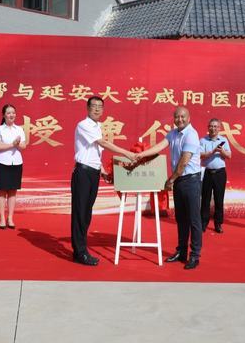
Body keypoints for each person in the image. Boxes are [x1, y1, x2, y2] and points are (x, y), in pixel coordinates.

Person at [71, 96, 136, 266]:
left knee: (86, 213)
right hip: (83, 173)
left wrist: (103, 171)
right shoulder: (83, 125)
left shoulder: (98, 126)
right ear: (87, 108)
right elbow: (102, 143)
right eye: (94, 106)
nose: (97, 109)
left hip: (93, 173)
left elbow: (94, 153)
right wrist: (126, 153)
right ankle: (80, 252)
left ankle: (80, 250)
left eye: (100, 106)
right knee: (80, 212)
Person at [136, 106, 202, 270]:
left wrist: (170, 180)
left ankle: (195, 255)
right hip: (179, 181)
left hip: (190, 181)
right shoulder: (173, 134)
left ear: (189, 118)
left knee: (194, 219)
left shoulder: (191, 135)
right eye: (177, 117)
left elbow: (183, 162)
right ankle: (181, 251)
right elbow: (159, 146)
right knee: (181, 218)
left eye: (182, 117)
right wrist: (141, 154)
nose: (180, 119)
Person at [0, 104, 26, 229]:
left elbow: (23, 146)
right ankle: (2, 218)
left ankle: (10, 218)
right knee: (2, 191)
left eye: (13, 113)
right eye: (8, 113)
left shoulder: (19, 129)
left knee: (13, 192)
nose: (11, 115)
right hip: (2, 162)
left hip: (16, 162)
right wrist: (13, 144)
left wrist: (17, 144)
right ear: (4, 115)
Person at [200, 118, 231, 233]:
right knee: (205, 199)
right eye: (211, 126)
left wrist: (221, 151)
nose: (213, 128)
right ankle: (203, 222)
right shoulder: (203, 140)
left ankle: (218, 223)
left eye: (215, 126)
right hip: (207, 172)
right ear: (208, 128)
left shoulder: (224, 140)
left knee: (219, 199)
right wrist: (213, 151)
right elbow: (200, 155)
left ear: (219, 128)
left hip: (220, 173)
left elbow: (229, 156)